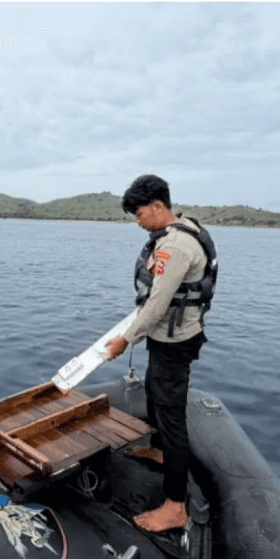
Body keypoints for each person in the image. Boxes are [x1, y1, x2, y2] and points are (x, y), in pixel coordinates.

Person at [105, 174, 218, 533]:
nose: (137, 222)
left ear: (157, 207)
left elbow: (157, 303)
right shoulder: (178, 231)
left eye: (139, 214)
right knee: (154, 390)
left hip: (175, 342)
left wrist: (125, 340)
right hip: (165, 336)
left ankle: (175, 506)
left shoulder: (177, 246)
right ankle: (159, 450)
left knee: (172, 419)